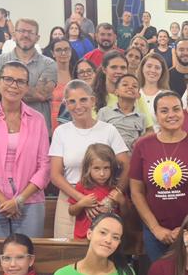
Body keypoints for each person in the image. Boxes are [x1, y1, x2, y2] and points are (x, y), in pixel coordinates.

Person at [129, 92, 188, 262]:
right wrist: (156, 228)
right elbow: (136, 192)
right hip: (155, 231)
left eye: (176, 109)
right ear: (156, 115)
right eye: (164, 111)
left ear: (183, 112)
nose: (171, 115)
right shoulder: (143, 145)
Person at [0, 61, 51, 238]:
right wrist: (3, 200)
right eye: (8, 79)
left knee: (27, 257)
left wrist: (18, 200)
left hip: (29, 201)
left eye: (20, 81)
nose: (14, 85)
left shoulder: (37, 119)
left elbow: (44, 166)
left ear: (27, 87)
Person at [48, 80, 129, 239]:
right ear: (66, 104)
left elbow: (127, 165)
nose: (78, 106)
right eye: (72, 101)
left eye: (83, 100)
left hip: (104, 196)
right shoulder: (61, 132)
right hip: (70, 196)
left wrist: (116, 193)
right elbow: (55, 175)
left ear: (92, 101)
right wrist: (81, 199)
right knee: (67, 249)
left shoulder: (108, 130)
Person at [0, 19, 56, 132]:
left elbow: (41, 94)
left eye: (30, 32)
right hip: (1, 128)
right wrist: (30, 91)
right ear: (14, 34)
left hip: (37, 129)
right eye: (22, 31)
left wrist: (6, 89)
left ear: (37, 38)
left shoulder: (49, 64)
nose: (26, 35)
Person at [67, 143, 121, 239]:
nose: (102, 173)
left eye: (106, 168)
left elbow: (127, 215)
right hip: (83, 238)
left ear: (112, 168)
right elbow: (71, 211)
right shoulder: (82, 185)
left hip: (109, 240)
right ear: (88, 168)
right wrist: (81, 204)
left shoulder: (116, 187)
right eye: (96, 168)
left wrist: (122, 201)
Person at [97, 73, 146, 150]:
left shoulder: (141, 117)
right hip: (109, 154)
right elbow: (99, 137)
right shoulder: (104, 112)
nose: (130, 87)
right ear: (116, 92)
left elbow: (142, 142)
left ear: (138, 95)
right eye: (125, 85)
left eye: (134, 86)